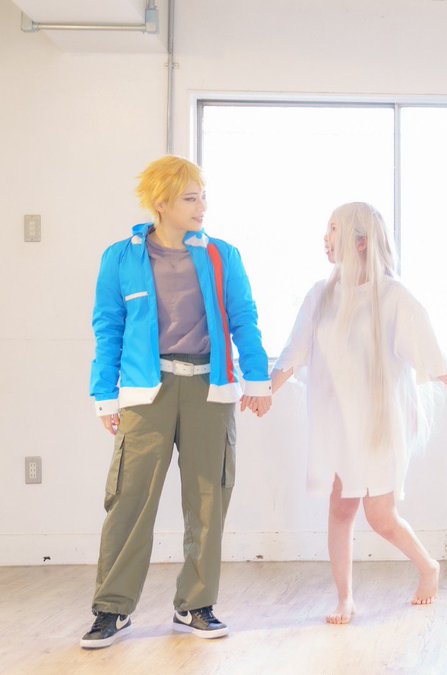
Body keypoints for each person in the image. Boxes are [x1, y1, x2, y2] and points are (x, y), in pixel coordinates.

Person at [271, 201, 447, 624]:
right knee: (341, 509)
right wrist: (264, 392)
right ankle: (345, 598)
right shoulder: (320, 295)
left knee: (380, 516)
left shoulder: (394, 297)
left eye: (333, 229)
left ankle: (428, 567)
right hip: (338, 425)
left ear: (360, 241)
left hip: (379, 425)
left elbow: (431, 352)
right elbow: (293, 353)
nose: (325, 238)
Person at [82, 155, 272, 649]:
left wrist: (258, 379)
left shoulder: (222, 255)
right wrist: (104, 395)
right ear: (161, 202)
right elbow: (108, 327)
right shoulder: (120, 258)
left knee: (209, 498)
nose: (201, 206)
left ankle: (195, 604)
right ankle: (112, 608)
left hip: (210, 388)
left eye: (203, 196)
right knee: (130, 498)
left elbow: (244, 317)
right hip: (146, 391)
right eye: (191, 198)